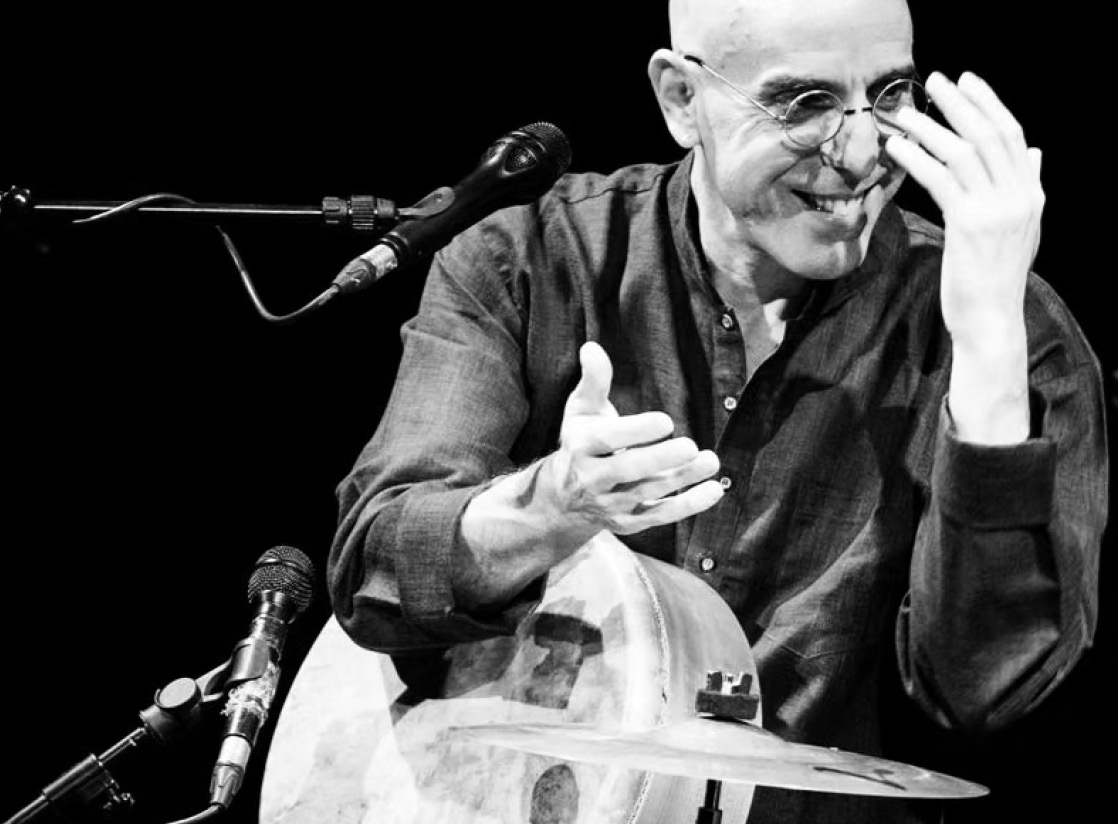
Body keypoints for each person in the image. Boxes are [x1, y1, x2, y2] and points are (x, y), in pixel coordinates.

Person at [326, 0, 1108, 821]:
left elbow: (985, 689)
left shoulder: (1013, 330)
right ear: (681, 99)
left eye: (889, 96)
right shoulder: (527, 261)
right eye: (804, 103)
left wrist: (988, 350)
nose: (861, 153)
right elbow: (375, 569)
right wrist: (551, 506)